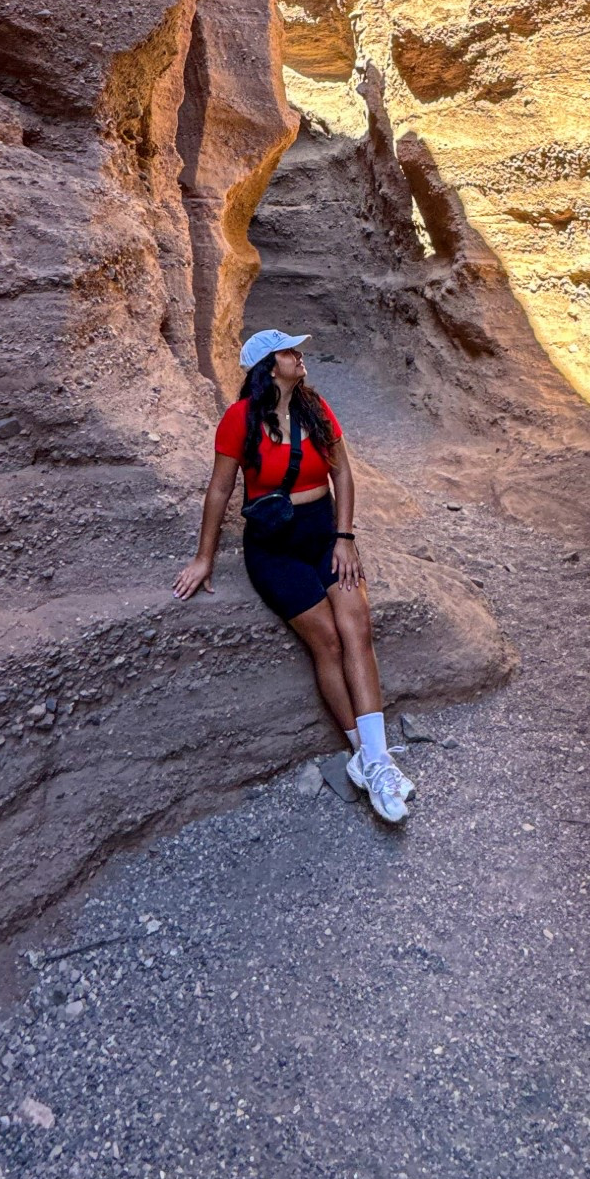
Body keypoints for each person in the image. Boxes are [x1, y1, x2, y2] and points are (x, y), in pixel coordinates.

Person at [172, 328, 415, 825]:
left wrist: (345, 537)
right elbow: (219, 492)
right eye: (288, 352)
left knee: (357, 631)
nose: (298, 356)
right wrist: (204, 557)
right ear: (267, 366)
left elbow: (342, 475)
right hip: (273, 548)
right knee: (326, 640)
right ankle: (367, 757)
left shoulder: (315, 408)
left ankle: (376, 760)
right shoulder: (240, 419)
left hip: (323, 534)